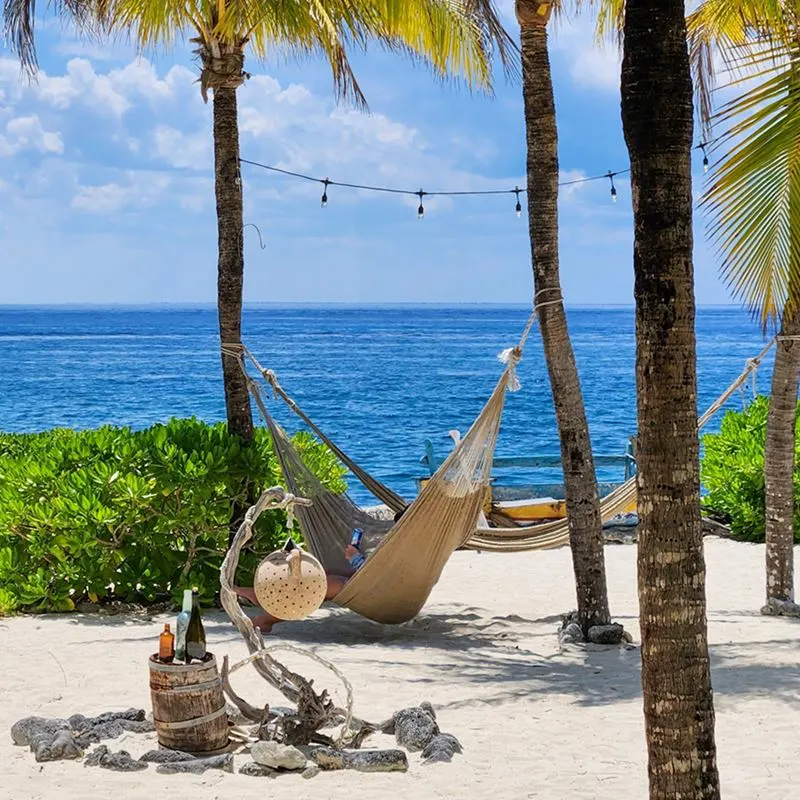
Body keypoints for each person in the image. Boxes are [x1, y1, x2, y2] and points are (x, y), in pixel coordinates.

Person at [233, 540, 366, 633]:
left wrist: (355, 558)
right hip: (366, 577)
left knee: (316, 586)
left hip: (369, 587)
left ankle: (266, 619)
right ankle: (264, 596)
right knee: (323, 573)